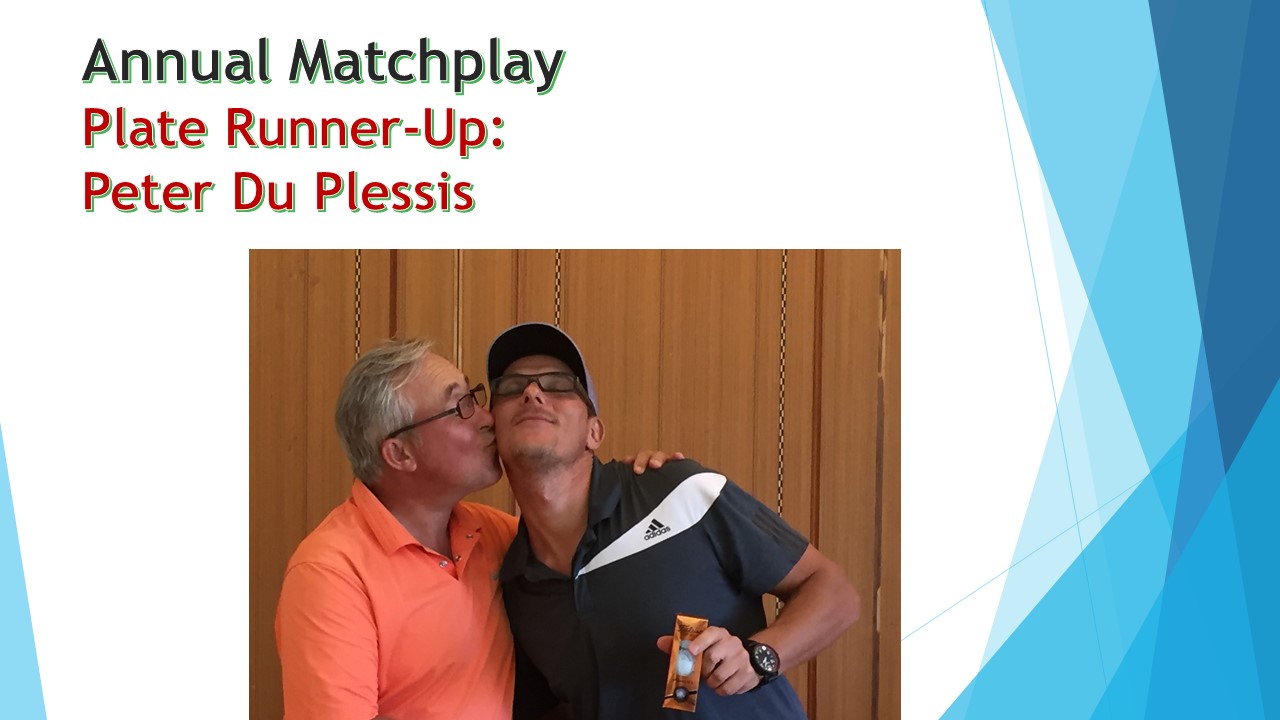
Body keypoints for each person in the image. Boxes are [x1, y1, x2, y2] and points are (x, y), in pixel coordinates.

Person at [274, 338, 677, 720]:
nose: (488, 418)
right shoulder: (331, 574)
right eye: (460, 406)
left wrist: (646, 487)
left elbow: (607, 562)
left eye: (476, 397)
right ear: (400, 453)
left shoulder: (496, 535)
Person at [488, 323, 860, 720]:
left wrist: (758, 658)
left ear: (593, 433)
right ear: (492, 432)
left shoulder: (678, 489)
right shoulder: (512, 585)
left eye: (559, 384)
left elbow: (833, 590)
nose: (532, 392)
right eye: (511, 386)